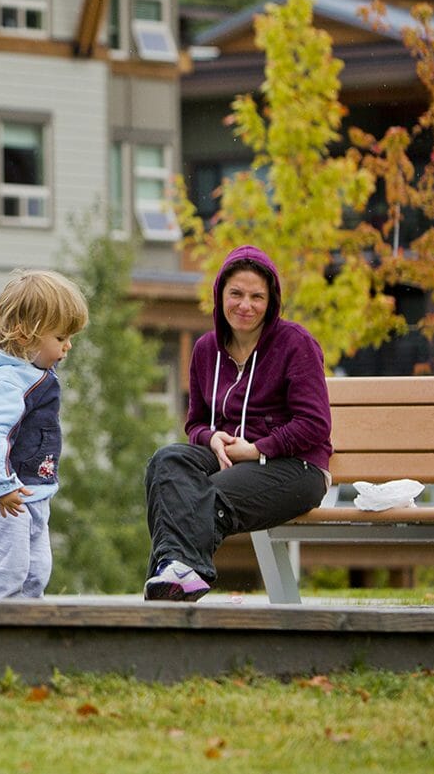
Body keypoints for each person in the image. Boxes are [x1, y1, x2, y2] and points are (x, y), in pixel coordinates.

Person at [142, 245, 331, 602]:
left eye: (257, 296)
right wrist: (211, 438)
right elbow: (195, 422)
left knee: (204, 494)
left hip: (295, 466)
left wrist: (258, 448)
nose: (246, 305)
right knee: (165, 463)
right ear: (220, 295)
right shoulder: (205, 349)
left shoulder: (295, 344)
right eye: (237, 294)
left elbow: (314, 424)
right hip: (229, 457)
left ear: (271, 301)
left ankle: (177, 572)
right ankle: (177, 571)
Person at [0, 269, 88, 599]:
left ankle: (20, 643)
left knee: (35, 573)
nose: (68, 346)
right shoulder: (4, 380)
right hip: (2, 498)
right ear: (25, 336)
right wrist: (3, 484)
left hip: (32, 494)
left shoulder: (32, 372)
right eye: (60, 338)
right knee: (7, 572)